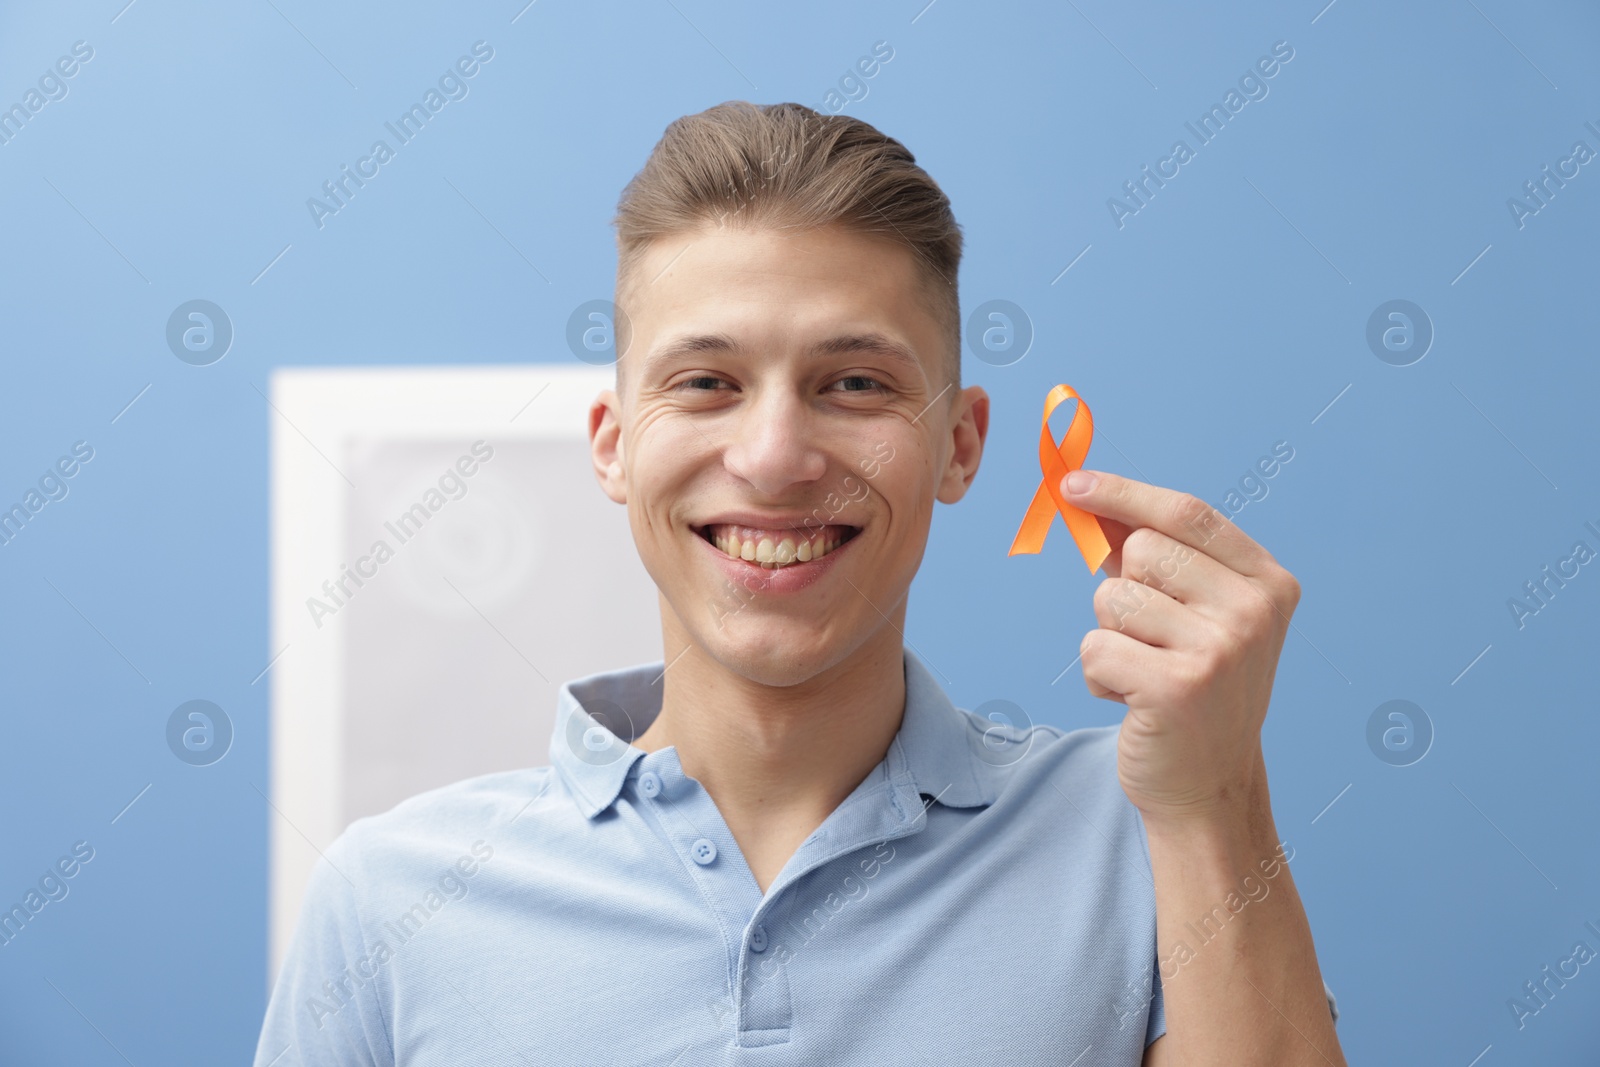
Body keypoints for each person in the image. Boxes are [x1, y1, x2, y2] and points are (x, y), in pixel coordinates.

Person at [254, 100, 1345, 1066]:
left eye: (856, 382)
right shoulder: (388, 900)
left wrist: (1214, 799)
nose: (774, 456)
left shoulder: (1145, 833)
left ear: (960, 446)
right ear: (613, 444)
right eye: (707, 381)